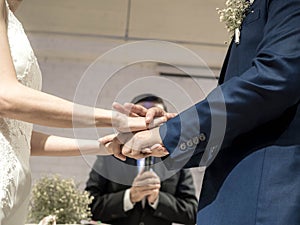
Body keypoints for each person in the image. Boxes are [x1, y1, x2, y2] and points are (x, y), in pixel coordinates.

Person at [101, 1, 300, 224]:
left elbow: (275, 78)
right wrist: (168, 130)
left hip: (264, 199)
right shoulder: (107, 164)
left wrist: (170, 133)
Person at [0, 1, 170, 224]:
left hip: (16, 192)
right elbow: (6, 97)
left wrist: (104, 146)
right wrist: (115, 118)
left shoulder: (10, 17)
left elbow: (20, 137)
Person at [86, 94, 198, 225]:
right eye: (143, 117)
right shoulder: (111, 156)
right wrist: (130, 196)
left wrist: (158, 199)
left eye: (155, 118)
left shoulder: (176, 158)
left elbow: (192, 212)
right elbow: (89, 205)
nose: (149, 124)